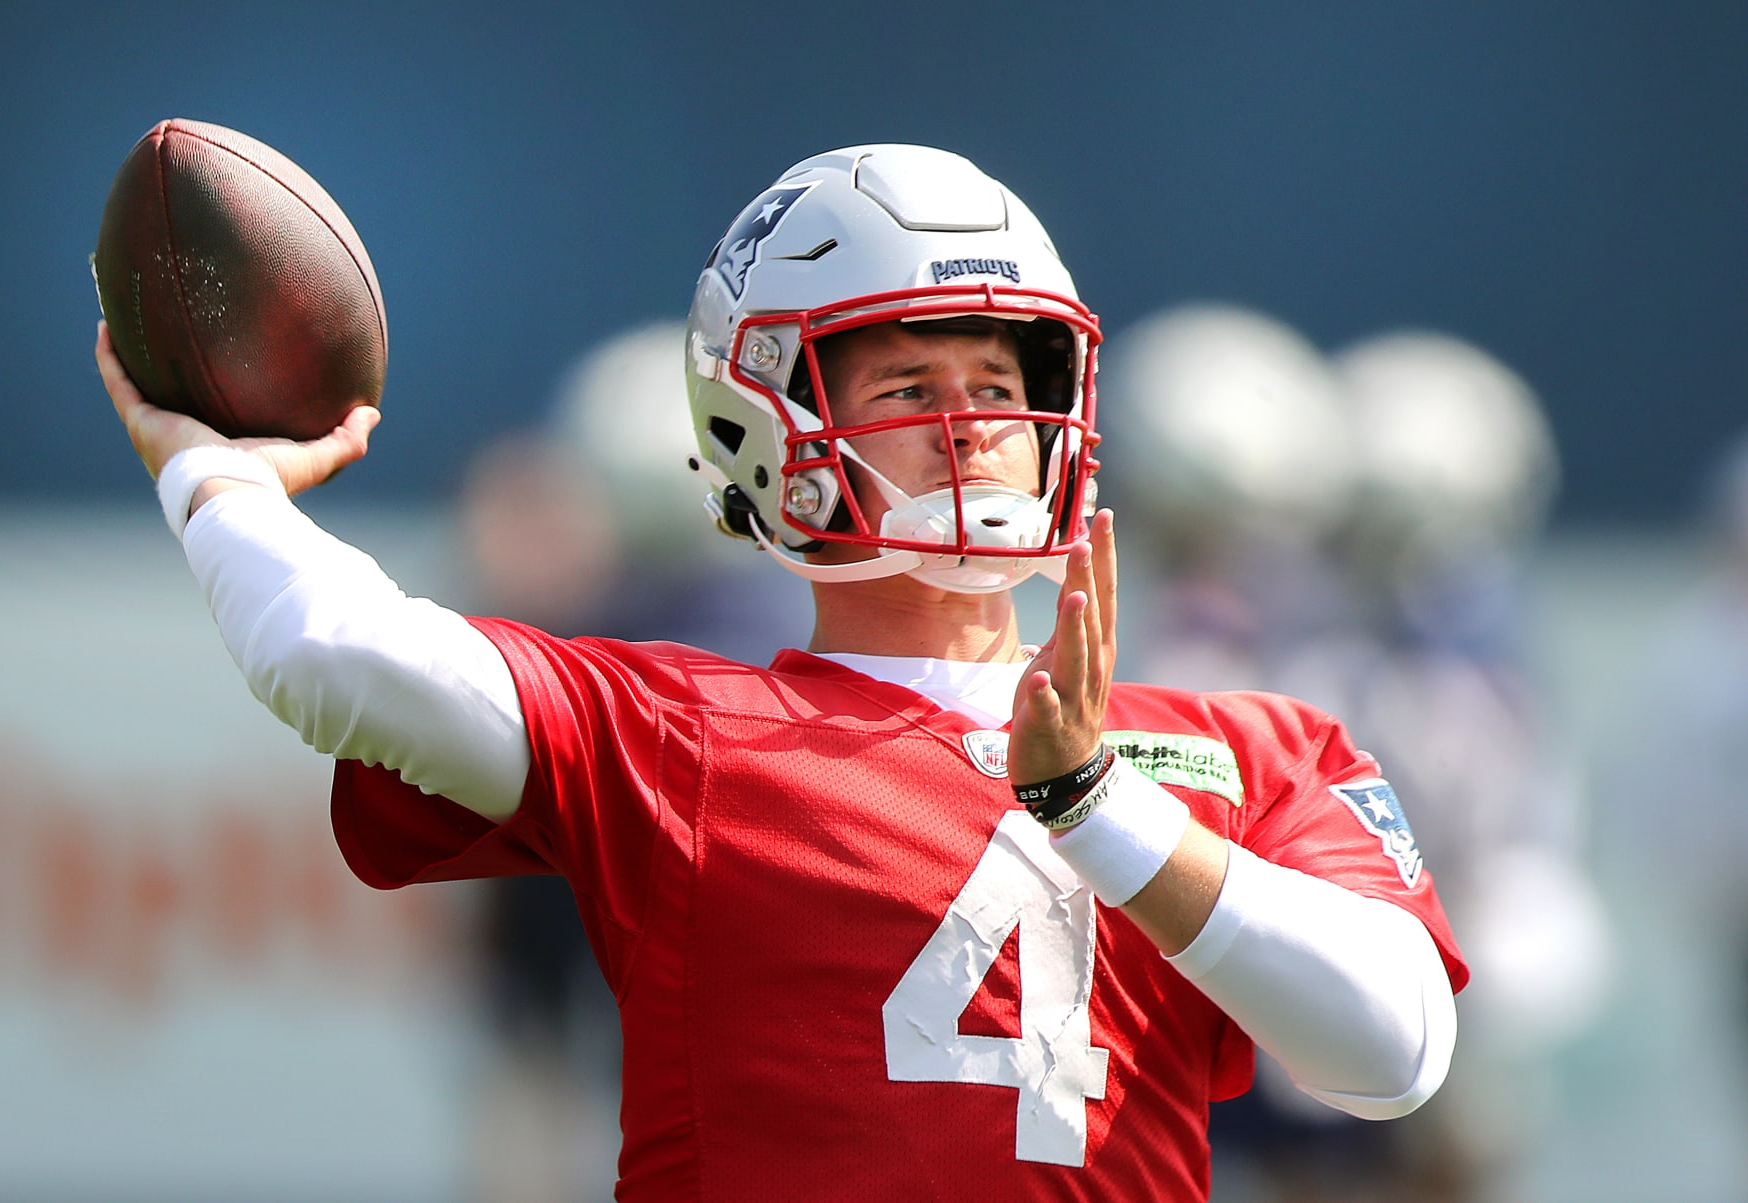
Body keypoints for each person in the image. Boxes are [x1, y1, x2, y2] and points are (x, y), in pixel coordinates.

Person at [98, 143, 1468, 1201]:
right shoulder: (676, 733)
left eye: (999, 383)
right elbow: (329, 650)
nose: (972, 428)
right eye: (907, 388)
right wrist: (216, 479)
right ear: (766, 425)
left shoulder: (1253, 745)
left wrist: (1099, 810)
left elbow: (1394, 1053)